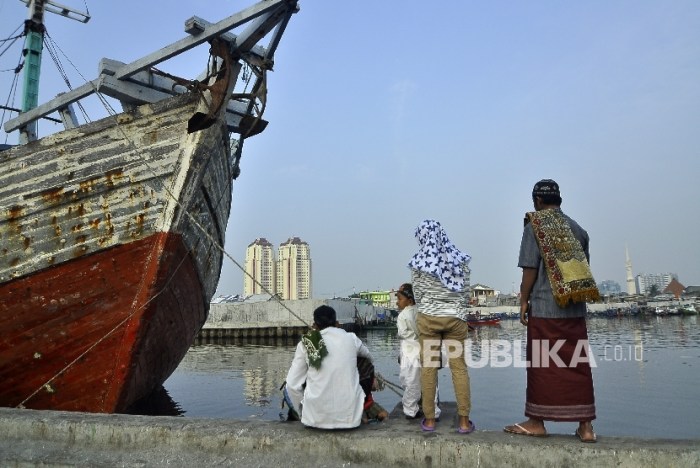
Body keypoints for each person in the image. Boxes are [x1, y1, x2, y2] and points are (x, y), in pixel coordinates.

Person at [504, 179, 600, 443]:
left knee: (542, 366)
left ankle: (536, 422)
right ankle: (586, 426)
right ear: (560, 200)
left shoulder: (534, 226)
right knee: (577, 365)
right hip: (574, 311)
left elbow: (530, 270)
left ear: (537, 201)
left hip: (546, 309)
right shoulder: (578, 230)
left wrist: (523, 301)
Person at [409, 219, 475, 434]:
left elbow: (417, 295)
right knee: (459, 368)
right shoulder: (459, 260)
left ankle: (429, 420)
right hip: (455, 320)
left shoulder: (418, 262)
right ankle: (464, 422)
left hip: (428, 320)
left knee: (428, 369)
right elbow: (465, 293)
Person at [284, 305, 377, 429]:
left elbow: (291, 385)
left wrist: (302, 413)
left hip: (314, 420)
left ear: (315, 326)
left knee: (289, 387)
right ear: (337, 323)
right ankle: (362, 406)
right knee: (366, 363)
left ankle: (304, 413)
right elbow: (369, 358)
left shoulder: (308, 342)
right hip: (351, 420)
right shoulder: (351, 338)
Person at [395, 283, 441, 420]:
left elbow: (403, 333)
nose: (397, 302)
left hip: (410, 352)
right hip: (427, 349)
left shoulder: (403, 315)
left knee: (410, 382)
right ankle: (433, 411)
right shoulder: (423, 312)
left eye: (399, 299)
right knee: (429, 380)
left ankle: (411, 410)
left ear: (409, 300)